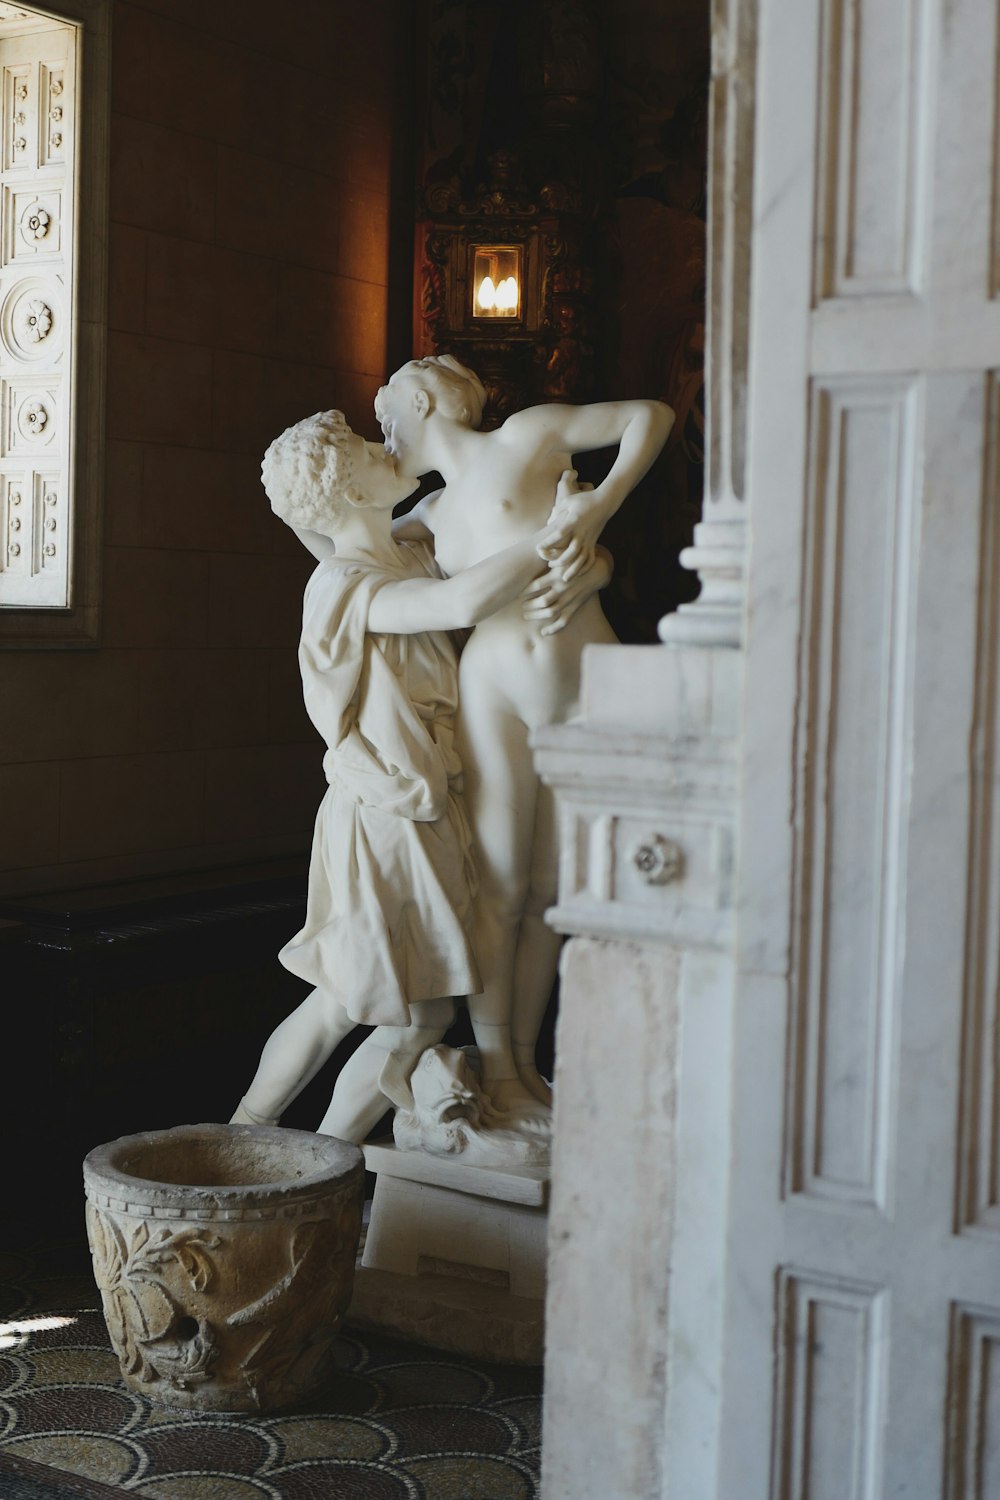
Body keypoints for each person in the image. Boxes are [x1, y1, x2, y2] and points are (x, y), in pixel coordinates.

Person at [231, 409, 564, 1144]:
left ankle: (315, 1166)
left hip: (424, 809)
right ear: (351, 491)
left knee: (417, 1016)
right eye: (366, 451)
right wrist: (562, 530)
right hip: (382, 815)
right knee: (347, 1002)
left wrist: (586, 556)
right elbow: (466, 601)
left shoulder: (405, 552)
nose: (388, 449)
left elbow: (465, 565)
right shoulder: (347, 585)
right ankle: (249, 1143)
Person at [374, 357, 675, 1121]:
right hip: (492, 684)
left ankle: (530, 1066)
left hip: (581, 674)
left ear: (419, 400)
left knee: (556, 889)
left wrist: (597, 516)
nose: (385, 442)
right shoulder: (432, 513)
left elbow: (652, 415)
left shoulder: (527, 435)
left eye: (387, 421)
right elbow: (343, 532)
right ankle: (502, 1068)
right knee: (502, 886)